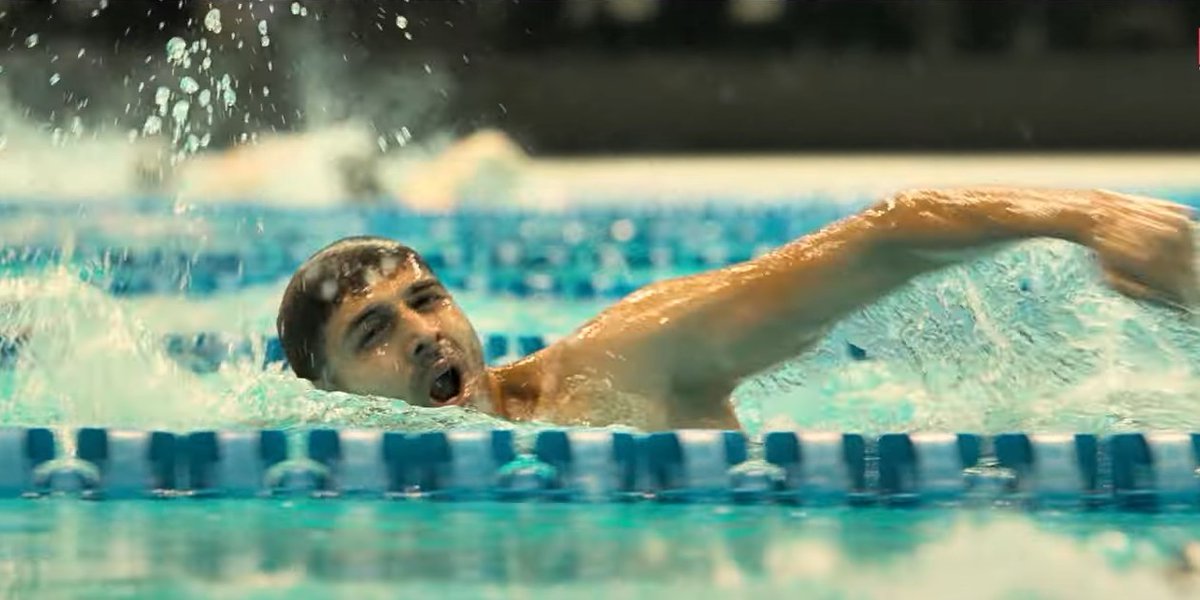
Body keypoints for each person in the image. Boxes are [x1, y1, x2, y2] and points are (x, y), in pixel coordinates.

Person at [276, 188, 1197, 431]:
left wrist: (1093, 215)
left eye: (427, 299)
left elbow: (885, 235)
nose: (427, 332)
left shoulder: (622, 365)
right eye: (376, 331)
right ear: (326, 392)